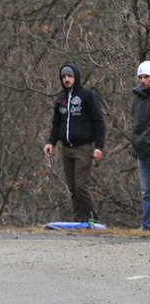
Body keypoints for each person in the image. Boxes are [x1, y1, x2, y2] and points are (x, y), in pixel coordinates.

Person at [43, 63, 106, 222]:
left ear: (75, 77)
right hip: (67, 149)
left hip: (83, 148)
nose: (66, 79)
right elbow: (56, 124)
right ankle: (78, 219)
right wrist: (51, 142)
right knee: (72, 188)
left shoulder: (87, 96)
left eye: (69, 76)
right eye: (64, 76)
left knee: (81, 186)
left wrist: (99, 147)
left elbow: (99, 122)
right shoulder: (61, 100)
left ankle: (93, 218)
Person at [131, 61, 150, 230]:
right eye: (141, 77)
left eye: (147, 77)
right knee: (146, 192)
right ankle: (147, 225)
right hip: (142, 151)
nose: (143, 80)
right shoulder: (137, 98)